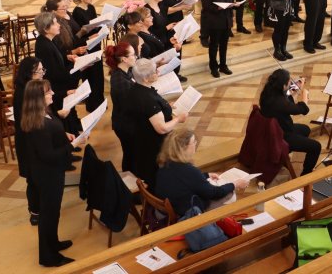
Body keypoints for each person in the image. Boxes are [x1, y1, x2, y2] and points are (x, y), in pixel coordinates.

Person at [20, 79, 77, 267]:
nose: (52, 93)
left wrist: (64, 136)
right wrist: (72, 145)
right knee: (48, 215)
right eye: (47, 92)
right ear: (38, 99)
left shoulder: (44, 114)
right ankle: (48, 257)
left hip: (49, 173)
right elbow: (49, 155)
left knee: (53, 212)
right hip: (47, 175)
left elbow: (52, 138)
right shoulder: (39, 124)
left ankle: (53, 242)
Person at [155, 130, 249, 216]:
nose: (196, 144)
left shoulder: (165, 163)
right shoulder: (189, 171)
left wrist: (206, 175)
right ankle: (218, 222)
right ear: (184, 148)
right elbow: (213, 193)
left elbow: (183, 179)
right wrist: (235, 184)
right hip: (184, 213)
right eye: (194, 142)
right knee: (230, 194)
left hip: (163, 211)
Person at [127, 58, 188, 191]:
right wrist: (179, 119)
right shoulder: (148, 100)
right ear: (146, 79)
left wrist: (166, 107)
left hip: (142, 140)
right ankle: (158, 203)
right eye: (154, 71)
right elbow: (161, 128)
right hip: (154, 145)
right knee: (157, 177)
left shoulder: (135, 89)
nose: (158, 72)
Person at [259, 69, 321, 175]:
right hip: (282, 135)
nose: (290, 84)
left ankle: (288, 151)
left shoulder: (268, 92)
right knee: (316, 147)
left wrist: (294, 91)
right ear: (283, 85)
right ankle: (306, 173)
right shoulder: (280, 102)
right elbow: (303, 110)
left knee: (305, 129)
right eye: (289, 82)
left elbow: (286, 104)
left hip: (276, 129)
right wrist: (304, 95)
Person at [34, 9, 80, 136]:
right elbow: (54, 73)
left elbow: (57, 57)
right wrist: (77, 67)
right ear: (46, 28)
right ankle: (68, 143)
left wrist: (67, 57)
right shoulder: (44, 46)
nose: (59, 25)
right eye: (55, 23)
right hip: (57, 87)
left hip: (60, 84)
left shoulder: (50, 40)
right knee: (62, 116)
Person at [13, 56, 45, 226]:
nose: (42, 73)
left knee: (36, 178)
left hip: (32, 140)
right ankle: (35, 212)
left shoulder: (29, 87)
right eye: (39, 71)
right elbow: (33, 121)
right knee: (33, 179)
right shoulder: (25, 93)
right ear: (29, 73)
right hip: (28, 142)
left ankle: (38, 209)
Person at [71, 0, 105, 112]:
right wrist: (91, 35)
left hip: (95, 43)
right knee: (90, 76)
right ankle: (92, 104)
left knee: (98, 75)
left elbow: (94, 24)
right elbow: (79, 32)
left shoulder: (91, 7)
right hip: (86, 45)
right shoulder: (77, 12)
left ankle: (100, 102)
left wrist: (102, 26)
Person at [143, 0, 186, 82]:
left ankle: (176, 74)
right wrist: (166, 28)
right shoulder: (147, 10)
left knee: (177, 48)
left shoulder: (161, 6)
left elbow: (166, 22)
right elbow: (149, 32)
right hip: (157, 43)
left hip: (167, 38)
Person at [104, 42, 136, 173]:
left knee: (131, 154)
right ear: (124, 59)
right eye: (133, 55)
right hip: (125, 124)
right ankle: (131, 182)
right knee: (131, 155)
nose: (136, 57)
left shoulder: (123, 72)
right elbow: (129, 107)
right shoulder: (120, 81)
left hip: (125, 122)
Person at [202, 0, 235, 77]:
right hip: (215, 22)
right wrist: (218, 8)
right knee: (214, 45)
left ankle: (223, 65)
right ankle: (213, 67)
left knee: (224, 45)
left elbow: (229, 2)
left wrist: (231, 17)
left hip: (225, 21)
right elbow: (206, 6)